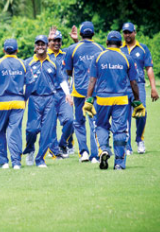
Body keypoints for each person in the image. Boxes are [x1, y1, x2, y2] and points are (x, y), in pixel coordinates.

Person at [84, 31, 145, 170]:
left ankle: (104, 149)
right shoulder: (127, 57)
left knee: (101, 126)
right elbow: (134, 83)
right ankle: (119, 163)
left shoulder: (98, 57)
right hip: (121, 100)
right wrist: (137, 101)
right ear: (121, 43)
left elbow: (92, 80)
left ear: (106, 43)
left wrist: (88, 100)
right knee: (120, 131)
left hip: (103, 99)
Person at [23, 35, 73, 168]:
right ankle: (30, 149)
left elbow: (62, 79)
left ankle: (40, 159)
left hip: (50, 99)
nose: (40, 47)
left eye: (43, 44)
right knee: (32, 129)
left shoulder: (53, 62)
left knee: (47, 131)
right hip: (34, 99)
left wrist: (67, 94)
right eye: (38, 44)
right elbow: (19, 79)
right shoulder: (28, 63)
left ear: (46, 46)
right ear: (35, 46)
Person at [0, 39, 35, 169]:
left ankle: (3, 162)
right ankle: (16, 162)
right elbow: (30, 83)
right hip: (18, 102)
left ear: (4, 50)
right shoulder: (23, 63)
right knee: (15, 131)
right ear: (17, 50)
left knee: (0, 130)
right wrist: (25, 98)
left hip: (2, 102)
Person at [64, 21, 105, 163]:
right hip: (95, 92)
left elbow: (68, 71)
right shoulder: (101, 48)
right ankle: (95, 155)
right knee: (95, 122)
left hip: (78, 92)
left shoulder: (72, 49)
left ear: (81, 34)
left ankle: (84, 153)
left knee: (79, 122)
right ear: (93, 33)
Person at [120, 22, 159, 154]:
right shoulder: (120, 49)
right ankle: (127, 146)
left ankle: (139, 139)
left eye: (129, 32)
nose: (127, 35)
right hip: (123, 87)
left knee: (142, 113)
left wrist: (153, 88)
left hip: (139, 86)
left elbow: (149, 68)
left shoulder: (143, 48)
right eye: (125, 32)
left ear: (134, 33)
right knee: (124, 117)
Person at [46, 27, 75, 158]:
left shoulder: (66, 54)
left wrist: (75, 40)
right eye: (54, 40)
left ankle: (63, 143)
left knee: (70, 120)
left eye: (59, 40)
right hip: (49, 96)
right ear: (48, 42)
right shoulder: (44, 56)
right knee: (50, 125)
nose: (57, 43)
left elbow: (79, 51)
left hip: (64, 95)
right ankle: (54, 151)